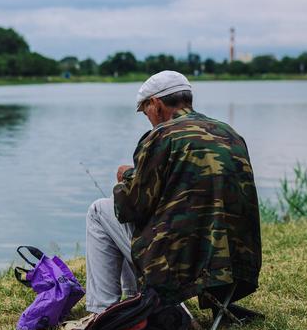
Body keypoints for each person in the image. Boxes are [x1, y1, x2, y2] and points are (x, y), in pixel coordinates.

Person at [85, 70, 262, 317]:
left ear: (155, 104)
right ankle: (137, 300)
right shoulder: (229, 132)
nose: (147, 117)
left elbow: (131, 208)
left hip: (181, 267)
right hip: (236, 265)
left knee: (99, 210)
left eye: (144, 110)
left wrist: (125, 177)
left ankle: (102, 311)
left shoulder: (161, 136)